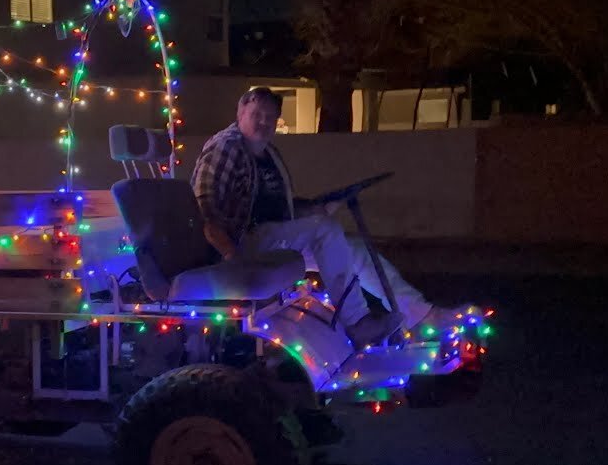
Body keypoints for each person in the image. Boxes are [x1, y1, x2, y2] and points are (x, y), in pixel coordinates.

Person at [191, 87, 457, 346]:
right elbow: (204, 208)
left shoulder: (268, 154)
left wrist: (315, 208)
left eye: (270, 117)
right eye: (257, 114)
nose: (264, 122)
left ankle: (420, 316)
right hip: (240, 244)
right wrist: (230, 256)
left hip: (269, 239)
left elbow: (278, 207)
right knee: (324, 229)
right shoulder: (227, 148)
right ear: (240, 113)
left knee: (354, 250)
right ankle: (358, 323)